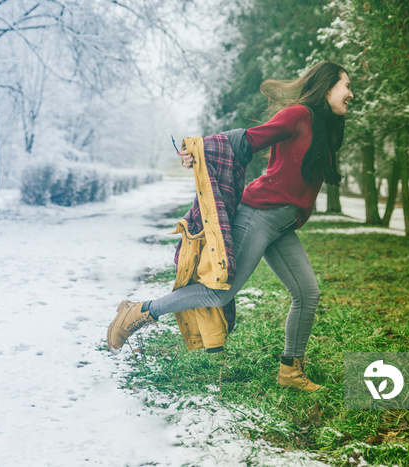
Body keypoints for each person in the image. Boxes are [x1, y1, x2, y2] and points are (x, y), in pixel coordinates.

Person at [107, 61, 353, 392]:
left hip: (282, 223)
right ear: (326, 86)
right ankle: (138, 312)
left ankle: (290, 373)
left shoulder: (323, 128)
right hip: (260, 213)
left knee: (307, 293)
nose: (351, 93)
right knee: (219, 291)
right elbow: (248, 139)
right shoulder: (299, 115)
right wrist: (199, 151)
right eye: (346, 85)